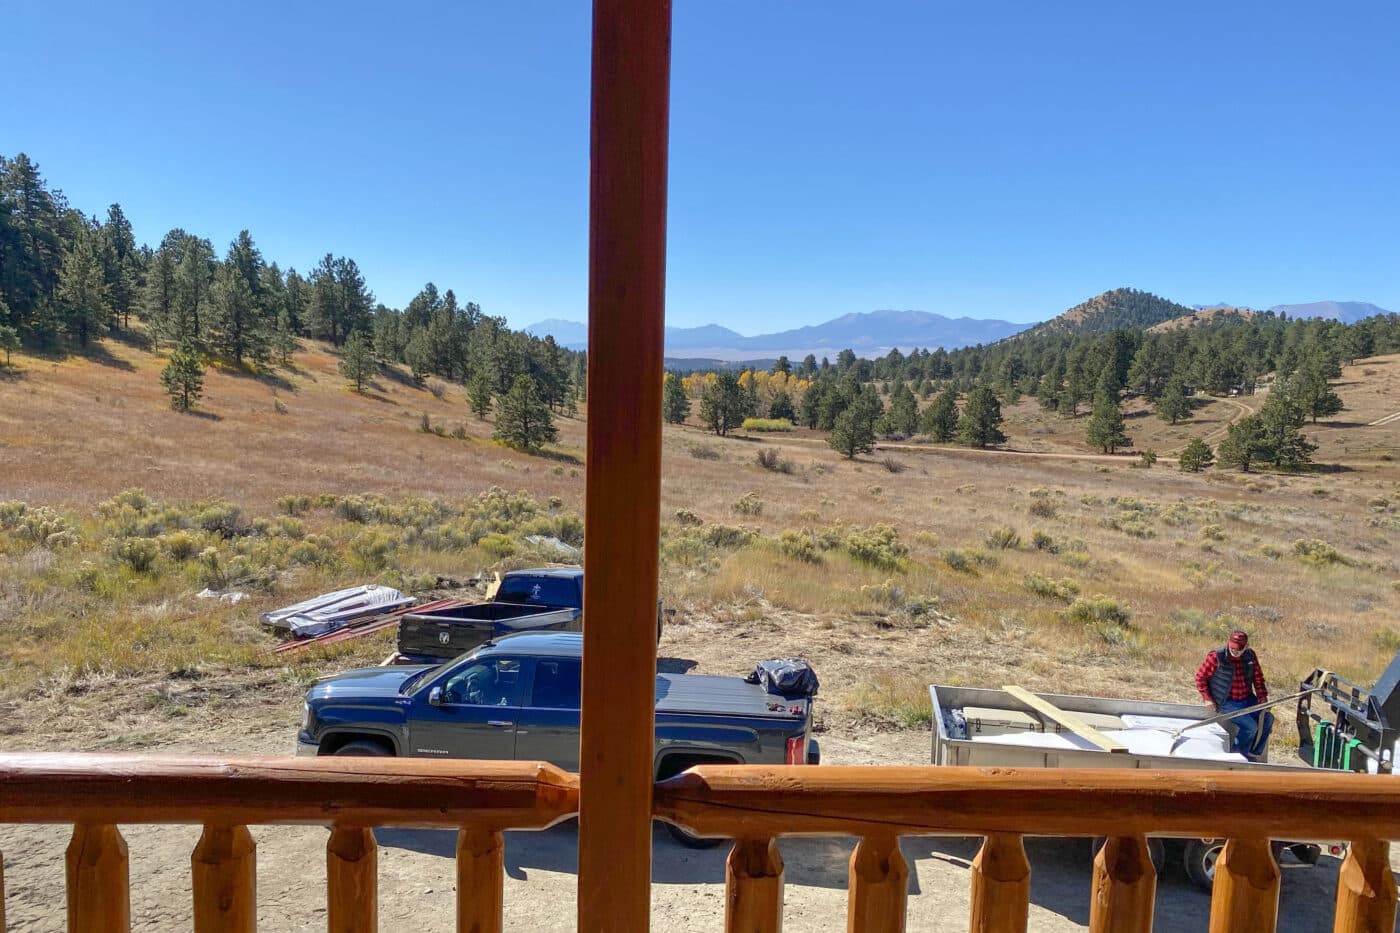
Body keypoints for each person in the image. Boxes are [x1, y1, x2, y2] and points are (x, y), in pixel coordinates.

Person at [1194, 630, 1269, 758]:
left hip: (1246, 698)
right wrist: (1207, 698)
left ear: (1246, 647)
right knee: (1251, 727)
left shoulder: (1250, 656)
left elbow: (1258, 678)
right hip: (1226, 702)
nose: (1235, 651)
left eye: (1239, 650)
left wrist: (1262, 697)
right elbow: (1200, 678)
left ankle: (1253, 752)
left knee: (1267, 719)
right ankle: (1236, 756)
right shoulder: (1216, 656)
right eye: (1233, 648)